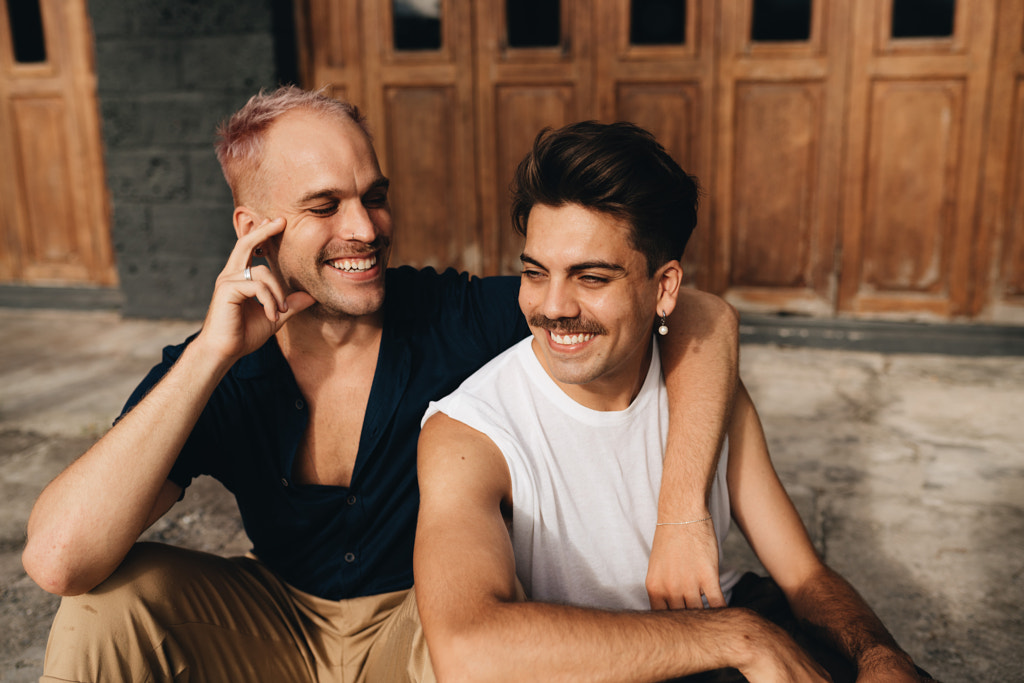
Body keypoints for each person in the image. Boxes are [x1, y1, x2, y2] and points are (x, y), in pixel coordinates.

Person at [22, 87, 739, 682]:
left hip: (419, 626)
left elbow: (698, 313)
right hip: (274, 623)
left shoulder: (451, 317)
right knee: (101, 605)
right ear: (254, 228)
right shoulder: (223, 366)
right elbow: (59, 557)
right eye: (325, 205)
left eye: (374, 195)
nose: (364, 227)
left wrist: (682, 514)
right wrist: (212, 355)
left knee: (475, 642)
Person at [414, 121, 932, 682]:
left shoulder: (704, 393)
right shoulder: (468, 433)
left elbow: (804, 576)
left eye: (591, 278)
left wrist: (880, 655)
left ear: (664, 289)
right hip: (592, 663)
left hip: (728, 640)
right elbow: (467, 653)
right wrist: (740, 638)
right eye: (535, 273)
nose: (553, 306)